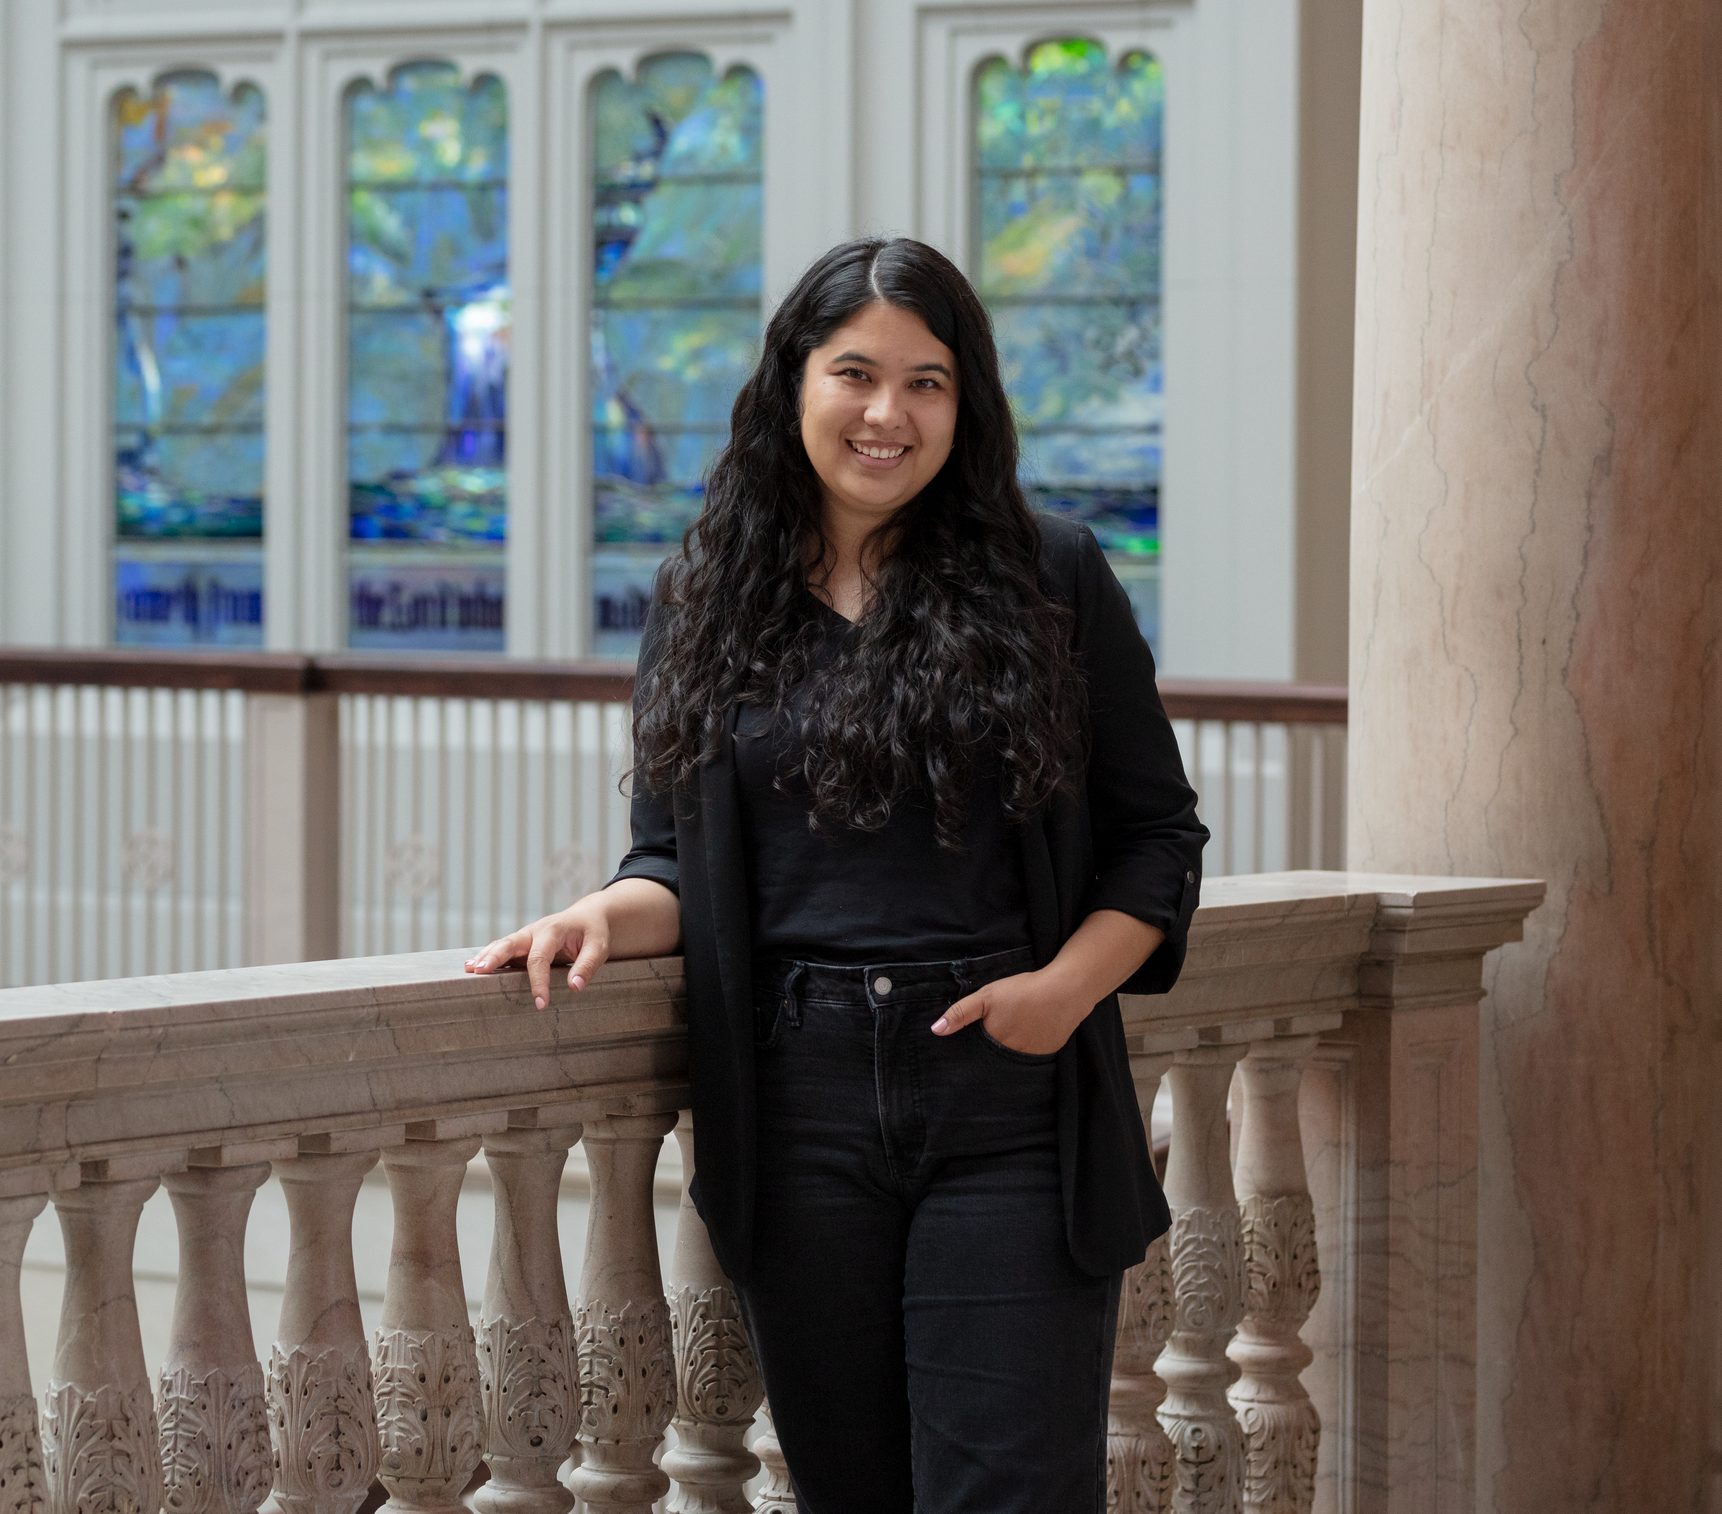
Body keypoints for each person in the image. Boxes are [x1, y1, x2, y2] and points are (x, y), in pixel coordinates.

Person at [467, 236, 1204, 1514]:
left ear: (964, 402)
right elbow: (674, 864)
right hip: (795, 1099)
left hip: (1008, 1098)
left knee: (1010, 1492)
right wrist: (596, 913)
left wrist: (1062, 992)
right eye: (855, 372)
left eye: (927, 381)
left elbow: (1158, 836)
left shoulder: (1055, 574)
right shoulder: (705, 593)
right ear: (791, 383)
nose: (887, 412)